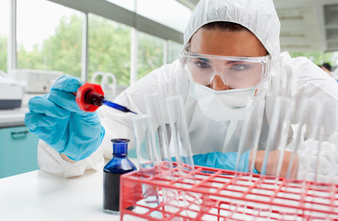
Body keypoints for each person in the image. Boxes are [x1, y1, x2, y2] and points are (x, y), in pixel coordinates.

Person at [25, 0, 338, 180]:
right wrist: (77, 147)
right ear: (186, 55)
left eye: (239, 66)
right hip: (181, 217)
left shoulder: (299, 82)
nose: (217, 84)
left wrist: (257, 162)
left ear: (269, 63)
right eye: (202, 63)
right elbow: (111, 131)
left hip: (266, 218)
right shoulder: (171, 80)